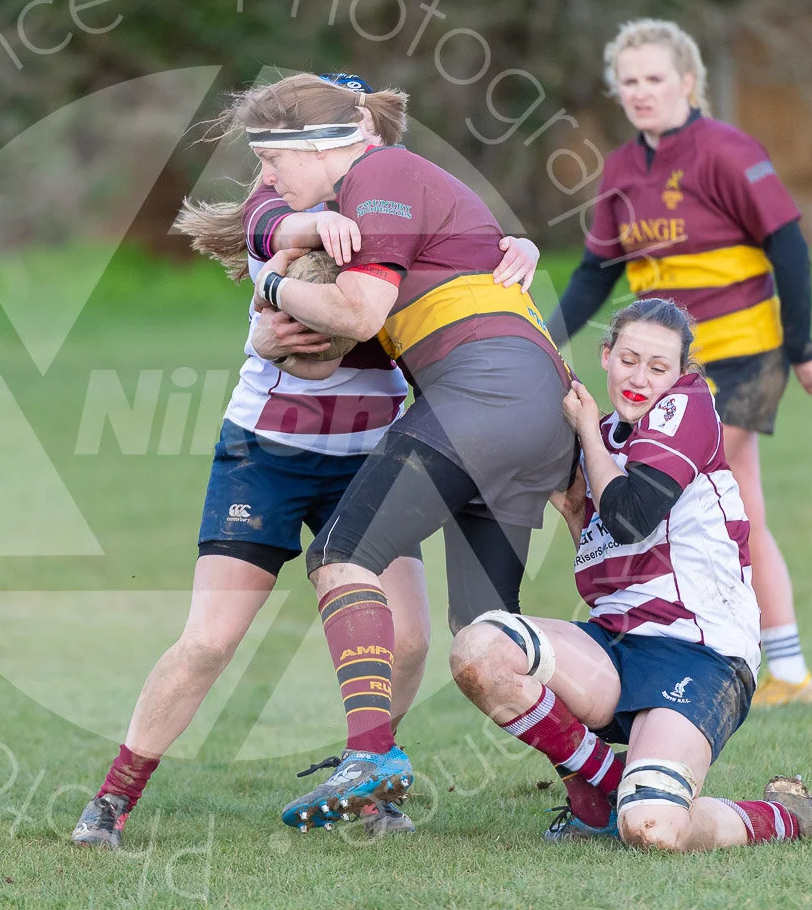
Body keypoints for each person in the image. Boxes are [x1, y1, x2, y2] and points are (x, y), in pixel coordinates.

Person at [70, 71, 545, 848]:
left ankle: (374, 782)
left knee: (412, 638)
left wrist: (510, 246)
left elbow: (463, 263)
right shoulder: (283, 209)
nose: (266, 174)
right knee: (210, 641)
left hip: (373, 454)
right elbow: (290, 312)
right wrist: (283, 289)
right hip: (268, 453)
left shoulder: (401, 213)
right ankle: (111, 801)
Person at [231, 73, 574, 830]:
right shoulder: (366, 196)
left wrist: (275, 295)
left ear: (321, 146)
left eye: (271, 158)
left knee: (338, 558)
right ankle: (604, 777)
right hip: (532, 403)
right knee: (488, 637)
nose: (266, 175)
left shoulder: (378, 173)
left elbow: (357, 310)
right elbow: (273, 244)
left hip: (482, 396)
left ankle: (372, 755)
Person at [449, 298, 812, 849]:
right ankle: (604, 787)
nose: (639, 379)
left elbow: (629, 516)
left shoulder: (686, 408)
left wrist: (588, 433)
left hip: (699, 652)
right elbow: (606, 570)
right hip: (617, 647)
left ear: (682, 373)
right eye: (628, 360)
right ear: (606, 355)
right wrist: (574, 514)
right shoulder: (605, 436)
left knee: (653, 829)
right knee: (479, 651)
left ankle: (787, 815)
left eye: (658, 367)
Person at [550, 19, 812, 706]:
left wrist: (799, 350)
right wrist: (542, 336)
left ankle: (762, 660)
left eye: (654, 79)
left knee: (698, 493)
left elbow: (789, 247)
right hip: (671, 369)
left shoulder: (727, 151)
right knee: (737, 504)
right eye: (629, 82)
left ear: (687, 81)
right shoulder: (621, 167)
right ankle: (778, 664)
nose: (641, 93)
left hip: (741, 357)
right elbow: (597, 268)